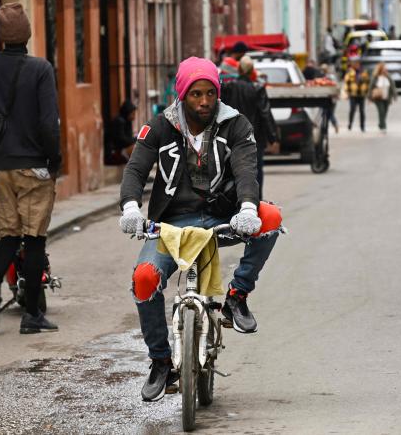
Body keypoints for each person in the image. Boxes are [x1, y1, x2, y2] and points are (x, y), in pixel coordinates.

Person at [118, 56, 281, 402]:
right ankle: (161, 361)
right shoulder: (159, 126)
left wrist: (248, 207)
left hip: (222, 220)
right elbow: (135, 170)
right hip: (170, 225)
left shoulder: (236, 125)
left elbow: (246, 169)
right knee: (144, 279)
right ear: (182, 94)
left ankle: (236, 299)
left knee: (271, 219)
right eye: (196, 94)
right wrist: (130, 206)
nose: (205, 101)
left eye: (210, 93)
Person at [0, 2, 61, 334]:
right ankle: (32, 315)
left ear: (2, 36)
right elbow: (49, 124)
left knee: (8, 236)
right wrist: (54, 162)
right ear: (28, 34)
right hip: (33, 167)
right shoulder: (41, 69)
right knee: (34, 240)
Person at [221, 56, 278, 199]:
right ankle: (256, 200)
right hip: (255, 138)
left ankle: (236, 199)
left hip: (233, 138)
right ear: (252, 70)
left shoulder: (229, 88)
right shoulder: (257, 89)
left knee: (233, 169)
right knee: (256, 170)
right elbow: (265, 113)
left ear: (238, 69)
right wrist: (273, 137)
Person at [368, 62, 397, 133]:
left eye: (385, 68)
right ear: (380, 69)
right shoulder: (375, 77)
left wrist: (395, 96)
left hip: (386, 97)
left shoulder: (388, 76)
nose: (385, 69)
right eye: (383, 68)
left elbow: (392, 87)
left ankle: (381, 124)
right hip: (378, 98)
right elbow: (371, 87)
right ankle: (383, 127)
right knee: (381, 111)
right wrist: (369, 98)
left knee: (385, 112)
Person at [106, 100, 137, 164]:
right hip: (114, 153)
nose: (134, 117)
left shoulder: (127, 122)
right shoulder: (119, 121)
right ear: (127, 112)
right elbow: (122, 141)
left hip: (121, 150)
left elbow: (128, 138)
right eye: (132, 114)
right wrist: (136, 139)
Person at [344, 57, 370, 132]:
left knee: (362, 111)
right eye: (355, 63)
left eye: (357, 63)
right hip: (353, 94)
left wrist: (367, 92)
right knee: (352, 109)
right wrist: (347, 92)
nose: (356, 64)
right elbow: (347, 82)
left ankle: (362, 126)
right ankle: (350, 123)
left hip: (361, 94)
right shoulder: (350, 72)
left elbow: (367, 82)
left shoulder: (364, 72)